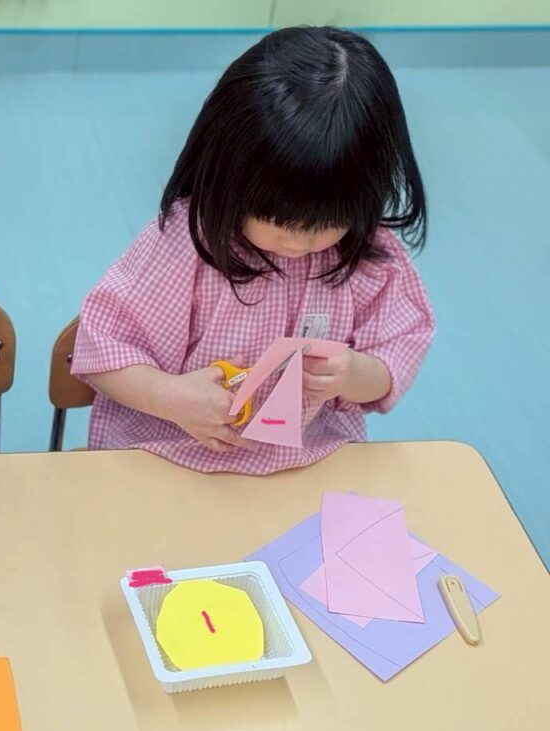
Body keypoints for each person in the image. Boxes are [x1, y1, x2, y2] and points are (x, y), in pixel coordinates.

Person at [73, 26, 435, 474]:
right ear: (230, 176)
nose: (298, 243)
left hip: (305, 463)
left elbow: (396, 356)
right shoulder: (187, 243)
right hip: (168, 457)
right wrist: (171, 398)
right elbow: (100, 350)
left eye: (326, 225)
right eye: (278, 220)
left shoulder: (369, 256)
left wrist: (354, 374)